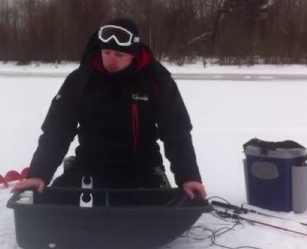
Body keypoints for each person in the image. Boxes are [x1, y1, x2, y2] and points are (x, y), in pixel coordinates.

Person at [13, 17, 207, 199]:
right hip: (90, 165)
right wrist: (39, 173)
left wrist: (189, 176)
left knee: (160, 215)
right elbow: (57, 130)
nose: (111, 60)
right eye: (106, 52)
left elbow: (177, 132)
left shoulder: (157, 81)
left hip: (144, 168)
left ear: (133, 54)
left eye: (119, 54)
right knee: (52, 210)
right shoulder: (80, 80)